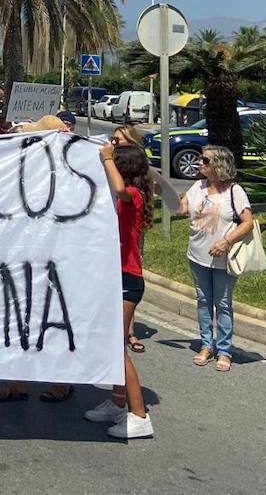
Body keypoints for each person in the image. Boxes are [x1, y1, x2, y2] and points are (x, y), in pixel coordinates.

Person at [83, 133, 156, 439]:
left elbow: (118, 187)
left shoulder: (133, 194)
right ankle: (117, 401)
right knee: (109, 344)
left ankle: (139, 416)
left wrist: (107, 157)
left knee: (116, 347)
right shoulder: (126, 194)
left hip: (128, 280)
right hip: (117, 276)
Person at [180, 144, 254, 371]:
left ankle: (224, 350)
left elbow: (248, 223)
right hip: (197, 255)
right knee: (203, 301)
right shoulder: (197, 187)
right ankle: (206, 345)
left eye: (205, 160)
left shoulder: (234, 191)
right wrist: (157, 185)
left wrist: (225, 241)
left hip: (223, 260)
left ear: (219, 165)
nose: (201, 163)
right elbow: (180, 209)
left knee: (222, 304)